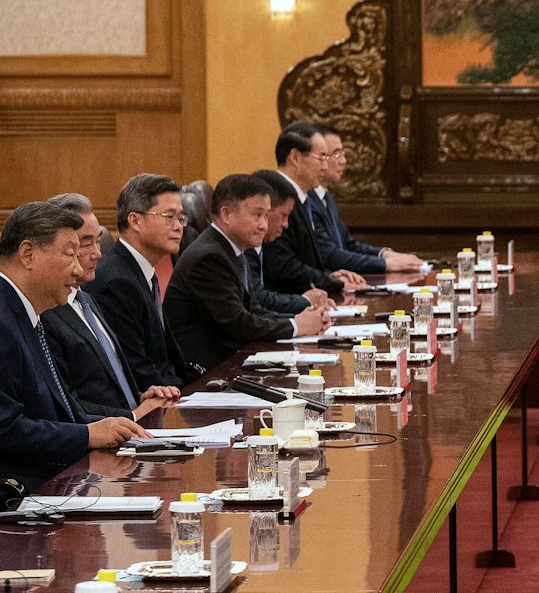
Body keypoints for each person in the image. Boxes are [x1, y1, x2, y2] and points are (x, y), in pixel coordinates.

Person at [0, 201, 149, 528]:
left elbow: (56, 409)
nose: (79, 270)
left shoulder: (23, 312)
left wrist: (113, 426)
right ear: (28, 254)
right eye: (70, 254)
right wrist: (87, 435)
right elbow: (3, 431)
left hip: (34, 478)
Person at [164, 174, 329, 373]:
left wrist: (303, 318)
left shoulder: (232, 250)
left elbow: (255, 311)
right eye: (257, 215)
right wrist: (296, 326)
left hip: (230, 363)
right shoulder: (209, 257)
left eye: (266, 216)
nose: (263, 225)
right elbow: (239, 325)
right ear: (226, 214)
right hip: (205, 374)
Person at [40, 194, 183, 420]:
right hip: (102, 436)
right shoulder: (45, 315)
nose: (97, 253)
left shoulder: (86, 300)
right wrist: (132, 415)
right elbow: (67, 406)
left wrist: (142, 397)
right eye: (86, 244)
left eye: (98, 241)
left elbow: (111, 385)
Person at [88, 173, 198, 388]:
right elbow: (139, 372)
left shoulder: (141, 272)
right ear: (135, 220)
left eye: (181, 218)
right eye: (169, 216)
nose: (179, 226)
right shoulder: (117, 283)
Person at [267, 123, 365, 299]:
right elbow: (284, 266)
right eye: (321, 158)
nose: (325, 167)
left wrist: (330, 276)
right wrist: (332, 281)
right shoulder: (275, 198)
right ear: (295, 157)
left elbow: (307, 261)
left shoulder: (303, 198)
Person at [310, 123, 424, 274]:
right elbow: (330, 255)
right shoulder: (308, 201)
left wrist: (385, 254)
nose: (343, 161)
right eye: (336, 154)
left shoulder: (325, 197)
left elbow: (348, 245)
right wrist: (385, 264)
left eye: (343, 153)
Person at [252, 171, 335, 316]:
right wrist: (305, 302)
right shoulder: (244, 248)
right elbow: (259, 301)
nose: (286, 224)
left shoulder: (258, 244)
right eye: (284, 215)